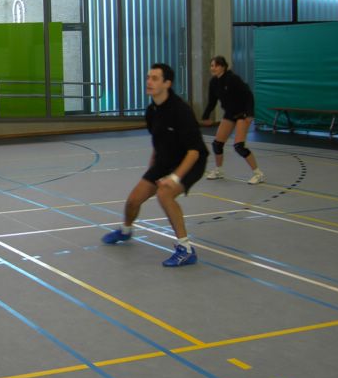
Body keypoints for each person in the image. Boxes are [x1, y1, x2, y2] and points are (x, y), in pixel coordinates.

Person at [101, 63, 208, 267]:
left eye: (155, 78)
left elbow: (194, 151)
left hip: (190, 162)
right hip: (165, 160)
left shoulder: (181, 111)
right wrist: (151, 170)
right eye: (148, 77)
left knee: (164, 194)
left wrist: (174, 178)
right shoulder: (152, 110)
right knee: (133, 200)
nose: (149, 81)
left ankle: (185, 249)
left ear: (167, 83)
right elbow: (158, 142)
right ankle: (125, 231)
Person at [200, 56, 265, 185]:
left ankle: (258, 174)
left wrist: (250, 114)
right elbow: (212, 102)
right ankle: (219, 170)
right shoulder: (213, 82)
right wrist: (205, 116)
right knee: (217, 144)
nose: (213, 68)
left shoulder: (233, 79)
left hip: (242, 113)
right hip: (229, 113)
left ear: (223, 67)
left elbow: (248, 94)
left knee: (239, 146)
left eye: (215, 65)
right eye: (212, 66)